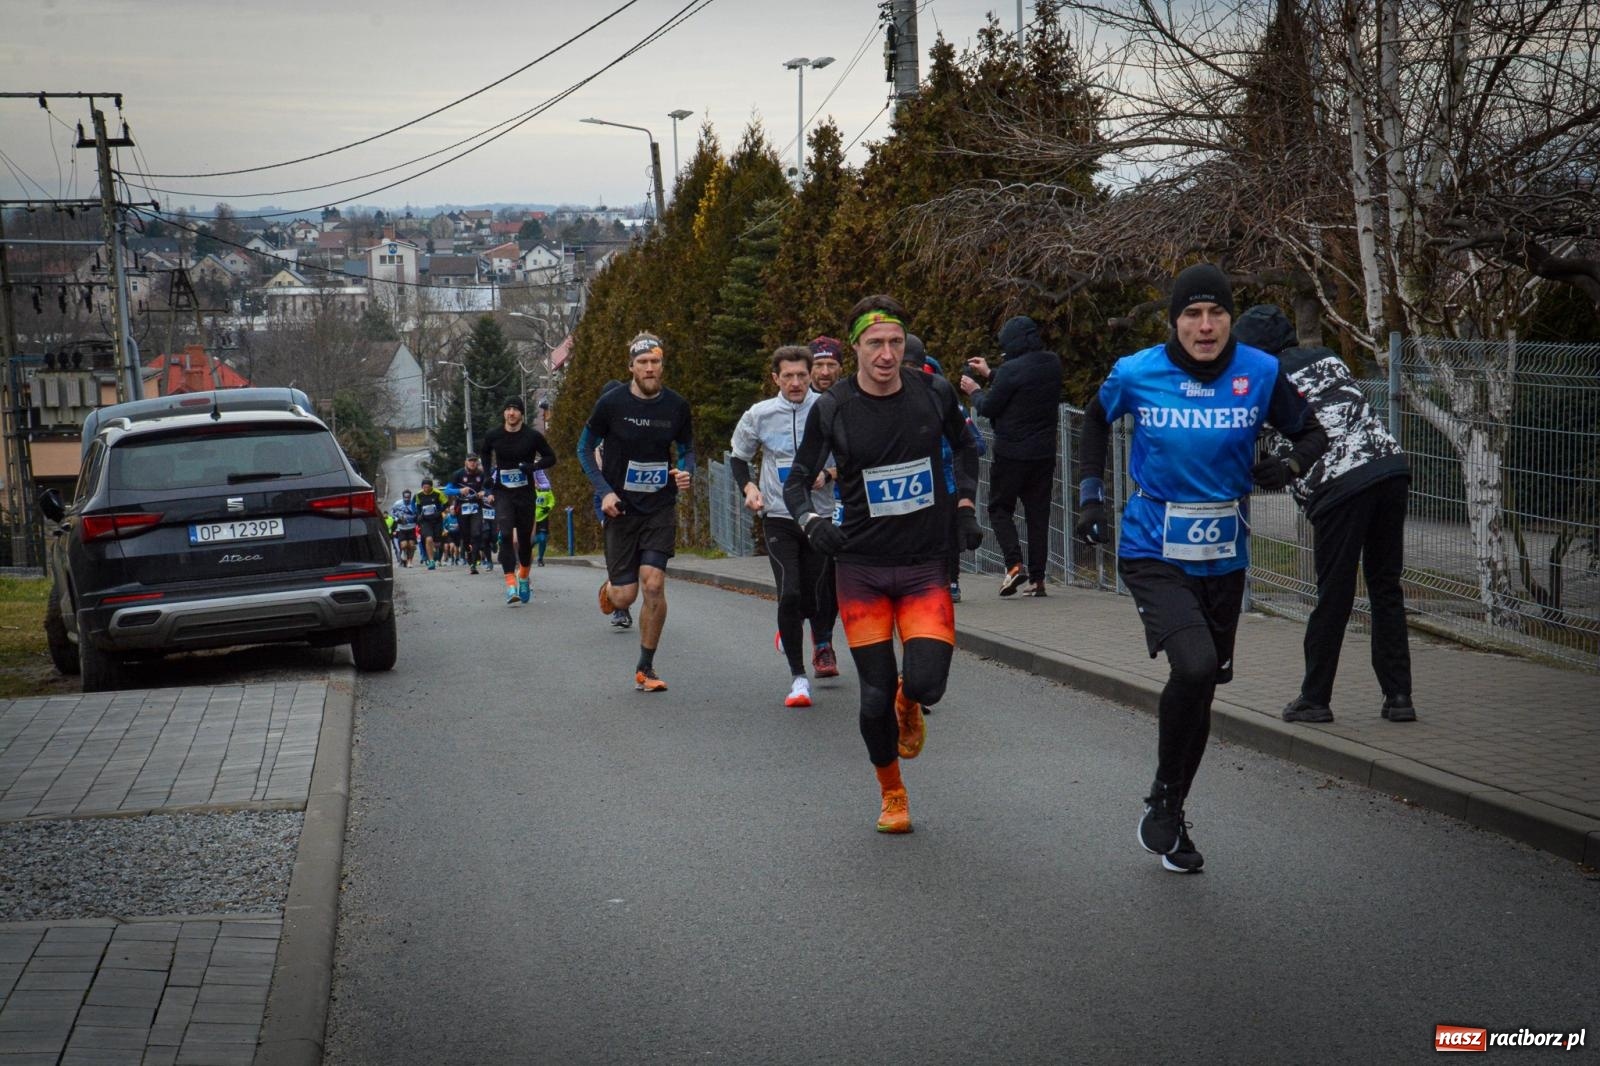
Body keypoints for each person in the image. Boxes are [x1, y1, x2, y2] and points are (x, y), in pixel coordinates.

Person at [1074, 264, 1327, 874]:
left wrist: (1288, 467)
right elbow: (1092, 417)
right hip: (1153, 548)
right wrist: (1089, 493)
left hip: (1223, 555)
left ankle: (1172, 812)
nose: (1205, 326)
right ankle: (1163, 795)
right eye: (1192, 314)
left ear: (1230, 318)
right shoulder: (1138, 371)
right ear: (1174, 320)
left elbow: (1313, 434)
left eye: (1216, 313)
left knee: (1203, 686)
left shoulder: (1261, 373)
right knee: (1194, 665)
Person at [784, 295, 983, 834]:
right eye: (875, 343)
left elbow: (968, 449)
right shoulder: (833, 407)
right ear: (855, 349)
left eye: (896, 342)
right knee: (872, 694)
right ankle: (893, 793)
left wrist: (963, 505)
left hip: (923, 565)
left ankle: (910, 701)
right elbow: (797, 480)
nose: (887, 354)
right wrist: (810, 523)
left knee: (927, 683)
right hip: (862, 567)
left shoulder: (933, 392)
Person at [1232, 304, 1416, 724]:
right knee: (1385, 586)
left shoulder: (1261, 378)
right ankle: (1399, 696)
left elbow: (1244, 434)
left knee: (1334, 594)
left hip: (1340, 487)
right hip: (1389, 469)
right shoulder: (1329, 358)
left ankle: (1315, 698)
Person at [577, 332, 695, 691]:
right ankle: (609, 591)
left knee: (654, 584)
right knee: (625, 596)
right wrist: (605, 492)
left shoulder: (676, 406)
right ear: (631, 366)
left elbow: (688, 448)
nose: (649, 368)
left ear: (662, 366)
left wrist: (686, 470)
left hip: (660, 505)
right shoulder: (611, 404)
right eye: (642, 362)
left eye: (654, 362)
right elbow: (584, 450)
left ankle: (646, 667)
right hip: (621, 510)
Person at [731, 346, 842, 709]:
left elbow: (853, 458)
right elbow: (739, 457)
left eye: (801, 375)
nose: (796, 383)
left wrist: (827, 474)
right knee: (790, 593)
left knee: (816, 597)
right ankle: (798, 680)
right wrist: (748, 487)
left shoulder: (828, 407)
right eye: (788, 376)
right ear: (775, 378)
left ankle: (794, 625)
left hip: (820, 515)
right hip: (779, 515)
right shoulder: (760, 414)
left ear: (811, 375)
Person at [961, 315, 1063, 598]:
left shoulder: (1010, 370)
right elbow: (1021, 386)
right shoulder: (1052, 363)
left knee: (999, 508)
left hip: (1011, 454)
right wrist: (991, 373)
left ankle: (1014, 564)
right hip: (1043, 454)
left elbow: (991, 407)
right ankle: (1038, 580)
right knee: (1038, 514)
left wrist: (975, 390)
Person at [482, 397, 558, 605]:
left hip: (525, 494)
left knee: (525, 541)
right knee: (505, 535)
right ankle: (510, 585)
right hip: (503, 493)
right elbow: (485, 452)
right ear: (504, 413)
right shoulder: (494, 435)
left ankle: (523, 576)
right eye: (508, 409)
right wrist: (488, 475)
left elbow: (551, 458)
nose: (511, 413)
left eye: (515, 410)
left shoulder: (532, 436)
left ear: (521, 414)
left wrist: (532, 468)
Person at [446, 453, 489, 575]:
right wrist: (459, 490)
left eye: (475, 461)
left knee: (476, 533)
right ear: (466, 462)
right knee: (466, 536)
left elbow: (488, 487)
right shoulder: (458, 474)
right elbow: (447, 490)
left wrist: (483, 492)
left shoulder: (481, 474)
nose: (473, 463)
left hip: (476, 507)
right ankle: (470, 558)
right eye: (470, 461)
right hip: (462, 508)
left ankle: (474, 563)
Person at [413, 479, 447, 570]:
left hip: (437, 520)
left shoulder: (438, 493)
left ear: (431, 487)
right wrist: (419, 516)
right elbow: (418, 506)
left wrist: (440, 512)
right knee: (428, 538)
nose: (426, 489)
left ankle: (436, 553)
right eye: (424, 487)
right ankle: (431, 561)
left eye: (428, 487)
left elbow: (446, 503)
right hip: (426, 521)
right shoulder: (419, 495)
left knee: (437, 543)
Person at [533, 470, 556, 566]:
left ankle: (540, 558)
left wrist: (548, 507)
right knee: (529, 540)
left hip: (543, 517)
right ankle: (526, 552)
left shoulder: (546, 489)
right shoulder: (529, 491)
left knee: (542, 539)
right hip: (531, 518)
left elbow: (552, 500)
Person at [390, 490, 418, 567]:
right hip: (402, 528)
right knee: (404, 545)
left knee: (412, 546)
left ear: (410, 496)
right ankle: (404, 554)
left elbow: (418, 514)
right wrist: (397, 520)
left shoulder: (414, 504)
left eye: (408, 497)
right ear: (403, 496)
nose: (407, 499)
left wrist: (416, 519)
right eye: (405, 497)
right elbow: (392, 514)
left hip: (412, 528)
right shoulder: (397, 504)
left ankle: (410, 561)